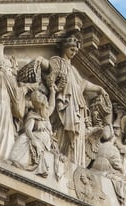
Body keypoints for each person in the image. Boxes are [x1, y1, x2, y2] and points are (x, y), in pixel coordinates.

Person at [39, 35, 106, 168]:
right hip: (65, 103)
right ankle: (63, 156)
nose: (74, 53)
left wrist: (99, 89)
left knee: (77, 133)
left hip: (78, 106)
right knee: (66, 130)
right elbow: (48, 68)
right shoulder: (58, 62)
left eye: (75, 51)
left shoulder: (74, 70)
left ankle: (73, 162)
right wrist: (39, 60)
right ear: (65, 48)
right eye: (72, 49)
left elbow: (84, 84)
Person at [0, 43, 26, 163]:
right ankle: (2, 156)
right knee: (4, 135)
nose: (14, 71)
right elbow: (18, 104)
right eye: (12, 68)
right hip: (4, 111)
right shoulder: (8, 78)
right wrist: (26, 88)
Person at [9, 88, 55, 176]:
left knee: (24, 138)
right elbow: (28, 130)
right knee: (23, 138)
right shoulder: (32, 115)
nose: (46, 106)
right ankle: (18, 161)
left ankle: (19, 162)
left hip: (45, 140)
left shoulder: (46, 114)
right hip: (37, 136)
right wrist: (33, 139)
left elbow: (52, 105)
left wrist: (53, 91)